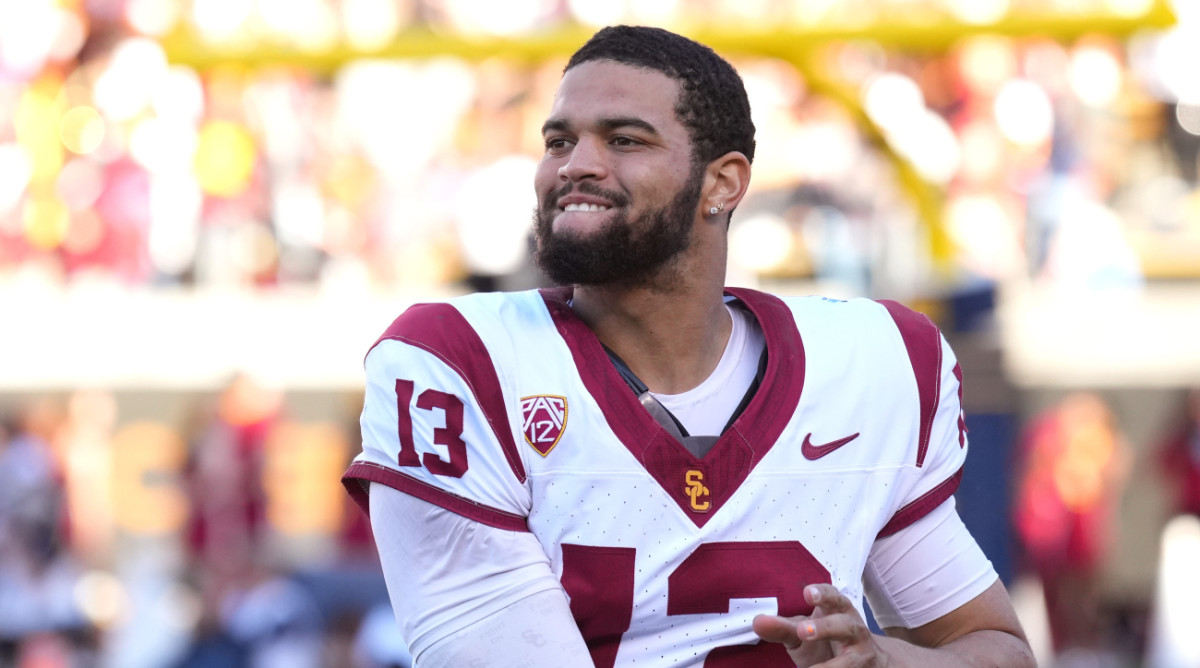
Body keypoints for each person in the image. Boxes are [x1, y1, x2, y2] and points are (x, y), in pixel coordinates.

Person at [342, 25, 1034, 668]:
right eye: (558, 141)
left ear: (723, 184)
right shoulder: (461, 368)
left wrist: (889, 661)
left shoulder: (869, 364)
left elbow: (993, 648)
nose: (575, 165)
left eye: (624, 140)